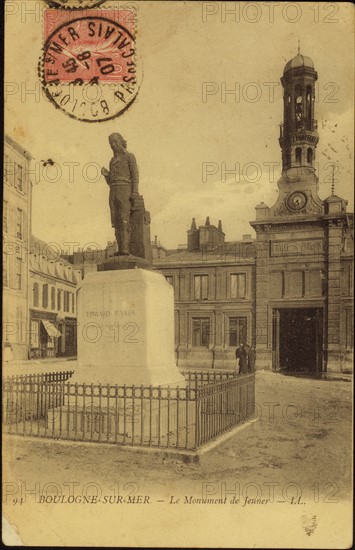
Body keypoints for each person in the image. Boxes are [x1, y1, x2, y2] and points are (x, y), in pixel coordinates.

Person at [101, 133, 139, 255]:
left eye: (115, 142)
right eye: (110, 143)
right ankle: (120, 249)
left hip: (125, 189)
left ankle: (125, 249)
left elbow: (135, 175)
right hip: (113, 191)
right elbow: (111, 181)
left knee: (124, 218)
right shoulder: (112, 161)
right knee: (115, 221)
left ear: (121, 142)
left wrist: (134, 191)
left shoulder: (129, 156)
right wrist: (107, 175)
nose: (113, 145)